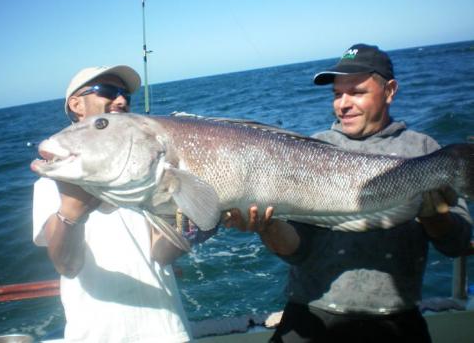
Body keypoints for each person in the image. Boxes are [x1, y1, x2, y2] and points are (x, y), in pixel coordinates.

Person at [224, 44, 473, 343]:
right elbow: (298, 250)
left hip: (394, 319)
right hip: (311, 312)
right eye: (337, 94)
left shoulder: (424, 150)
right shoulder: (309, 149)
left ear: (390, 91)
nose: (343, 104)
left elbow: (458, 244)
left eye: (356, 92)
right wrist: (267, 227)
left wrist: (435, 216)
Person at [32, 65, 192, 342]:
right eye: (108, 91)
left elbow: (162, 254)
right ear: (76, 104)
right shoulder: (53, 180)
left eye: (125, 94)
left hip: (166, 331)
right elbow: (67, 265)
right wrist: (72, 212)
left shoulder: (150, 170)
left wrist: (197, 220)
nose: (121, 100)